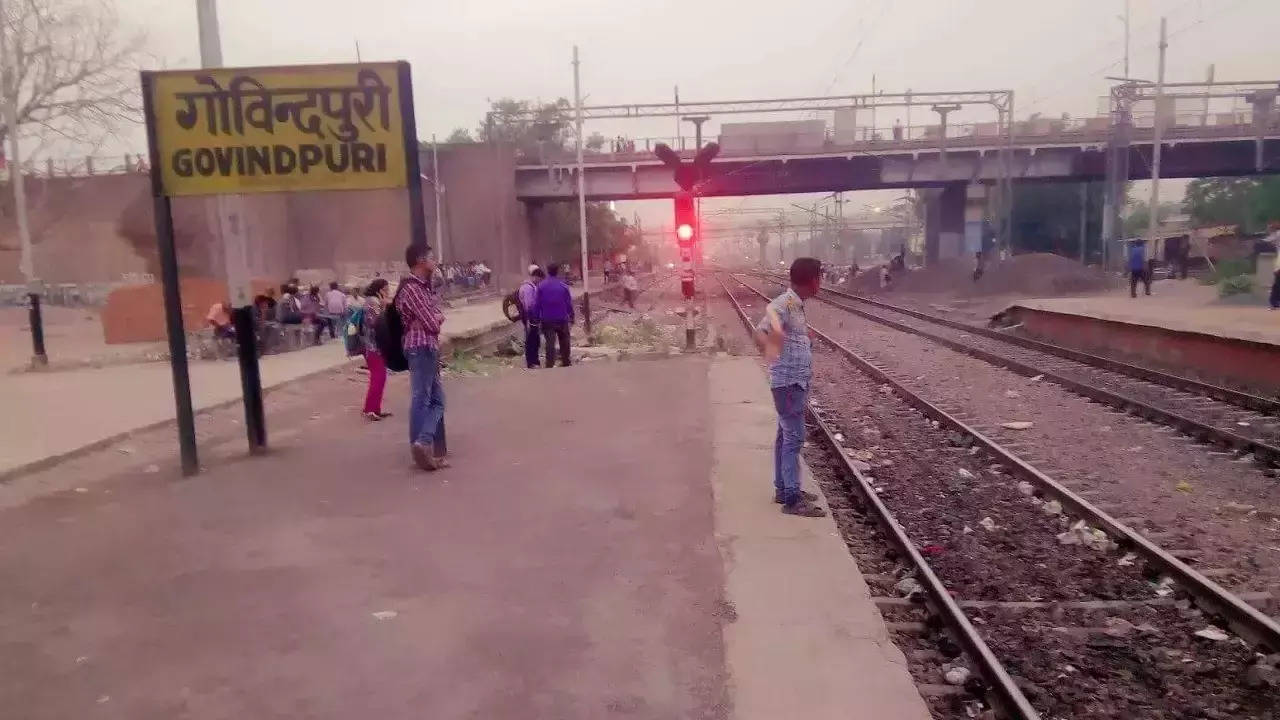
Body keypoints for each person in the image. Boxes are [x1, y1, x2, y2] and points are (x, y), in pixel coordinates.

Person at [754, 257, 826, 518]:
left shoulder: (796, 305)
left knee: (785, 436)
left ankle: (784, 489)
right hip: (787, 383)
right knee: (794, 438)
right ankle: (793, 500)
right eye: (820, 277)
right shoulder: (783, 304)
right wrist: (775, 349)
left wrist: (802, 342)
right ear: (812, 280)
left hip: (795, 382)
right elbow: (760, 332)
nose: (821, 282)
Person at [396, 243, 448, 471]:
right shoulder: (413, 289)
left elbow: (432, 317)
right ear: (419, 260)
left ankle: (421, 445)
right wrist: (436, 319)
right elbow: (432, 322)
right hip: (422, 347)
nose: (434, 260)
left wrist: (434, 318)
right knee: (425, 399)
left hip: (424, 347)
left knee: (434, 400)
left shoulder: (420, 287)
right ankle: (421, 443)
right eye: (431, 257)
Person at [360, 279, 392, 422]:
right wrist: (385, 308)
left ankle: (373, 409)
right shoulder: (372, 302)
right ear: (379, 290)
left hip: (375, 346)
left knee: (379, 377)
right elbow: (373, 322)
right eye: (386, 289)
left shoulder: (373, 301)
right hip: (373, 346)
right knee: (378, 377)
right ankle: (370, 410)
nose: (388, 291)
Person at [536, 263, 574, 368]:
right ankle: (566, 361)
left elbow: (537, 304)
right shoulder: (563, 286)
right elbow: (568, 303)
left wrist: (536, 318)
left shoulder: (541, 286)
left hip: (547, 319)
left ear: (548, 271)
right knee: (564, 340)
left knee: (550, 342)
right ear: (557, 272)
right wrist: (572, 316)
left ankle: (549, 363)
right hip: (562, 318)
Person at [518, 265, 544, 369]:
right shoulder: (528, 288)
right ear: (535, 276)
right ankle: (531, 362)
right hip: (530, 317)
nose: (539, 281)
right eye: (539, 279)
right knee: (531, 340)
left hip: (532, 317)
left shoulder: (531, 286)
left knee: (535, 339)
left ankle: (534, 361)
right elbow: (529, 305)